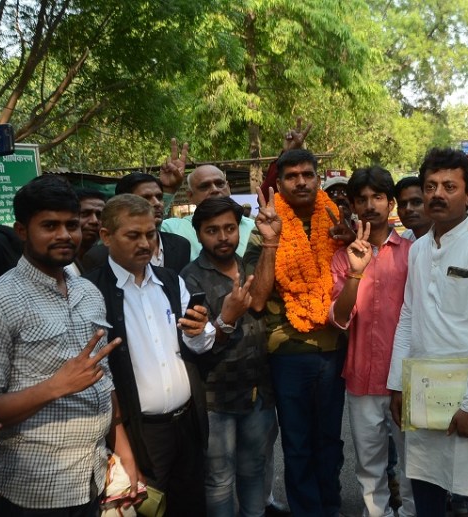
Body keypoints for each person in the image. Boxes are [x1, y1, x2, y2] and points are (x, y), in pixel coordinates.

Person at [0, 176, 138, 515]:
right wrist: (55, 387)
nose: (65, 235)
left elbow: (103, 381)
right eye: (50, 225)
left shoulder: (88, 293)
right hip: (33, 491)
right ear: (21, 231)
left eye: (71, 225)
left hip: (93, 476)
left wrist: (126, 456)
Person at [387, 148, 468, 517]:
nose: (438, 194)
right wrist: (396, 384)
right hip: (424, 391)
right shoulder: (418, 249)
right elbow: (408, 315)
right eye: (431, 186)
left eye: (449, 186)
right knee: (426, 488)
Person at [84, 194, 215, 517]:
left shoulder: (171, 281)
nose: (145, 243)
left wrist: (200, 332)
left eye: (150, 234)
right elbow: (97, 374)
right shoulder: (92, 292)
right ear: (106, 236)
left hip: (187, 424)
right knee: (147, 509)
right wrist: (120, 441)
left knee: (191, 506)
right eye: (133, 235)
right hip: (139, 433)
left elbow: (201, 345)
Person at [245, 148, 346, 516]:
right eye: (292, 176)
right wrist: (271, 240)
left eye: (308, 174)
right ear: (280, 183)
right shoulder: (266, 226)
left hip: (334, 348)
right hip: (288, 352)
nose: (301, 181)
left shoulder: (338, 219)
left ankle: (330, 506)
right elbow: (255, 301)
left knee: (330, 441)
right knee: (299, 442)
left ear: (318, 178)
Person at [180, 197, 276, 517]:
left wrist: (270, 242)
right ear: (198, 234)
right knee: (219, 479)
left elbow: (260, 302)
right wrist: (227, 317)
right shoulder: (188, 278)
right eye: (212, 230)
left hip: (257, 392)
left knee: (253, 470)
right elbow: (198, 344)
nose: (223, 237)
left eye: (229, 229)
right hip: (214, 397)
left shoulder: (250, 264)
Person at [329, 166, 415, 517]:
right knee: (369, 466)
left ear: (390, 202)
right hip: (362, 377)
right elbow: (339, 317)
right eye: (361, 199)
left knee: (414, 464)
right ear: (352, 205)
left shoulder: (415, 251)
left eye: (377, 197)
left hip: (406, 379)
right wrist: (355, 272)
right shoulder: (341, 256)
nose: (369, 206)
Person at [83, 173, 191, 274]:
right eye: (146, 198)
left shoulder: (181, 245)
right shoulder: (99, 257)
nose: (157, 203)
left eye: (159, 197)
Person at [161, 164, 255, 261]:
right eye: (204, 186)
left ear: (228, 188)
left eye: (219, 184)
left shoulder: (253, 228)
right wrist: (168, 192)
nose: (214, 189)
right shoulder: (173, 229)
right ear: (190, 196)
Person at [67, 187, 107, 275]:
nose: (94, 221)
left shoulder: (111, 259)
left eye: (99, 215)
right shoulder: (58, 261)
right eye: (85, 214)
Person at [394, 176, 431, 241]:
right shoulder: (406, 238)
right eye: (402, 204)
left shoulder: (447, 240)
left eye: (416, 202)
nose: (408, 209)